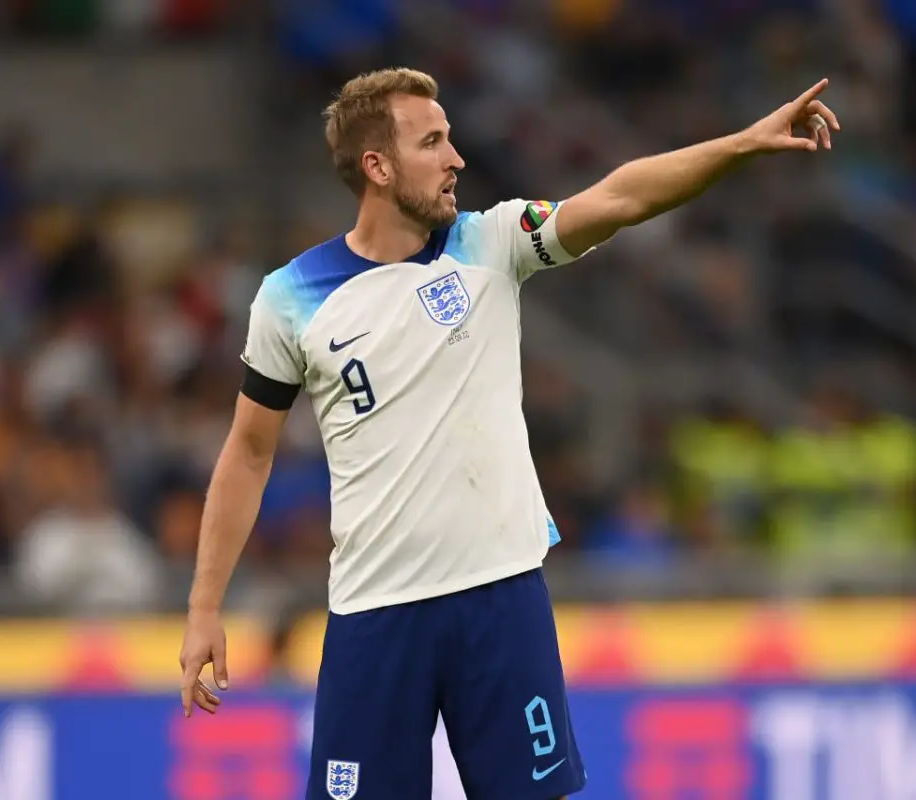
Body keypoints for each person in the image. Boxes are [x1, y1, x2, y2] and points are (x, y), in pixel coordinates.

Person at [178, 67, 838, 800]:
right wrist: (205, 607)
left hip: (500, 600)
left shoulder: (493, 243)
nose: (456, 158)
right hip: (373, 615)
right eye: (432, 142)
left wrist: (742, 145)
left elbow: (620, 197)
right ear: (378, 166)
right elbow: (248, 451)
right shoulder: (290, 299)